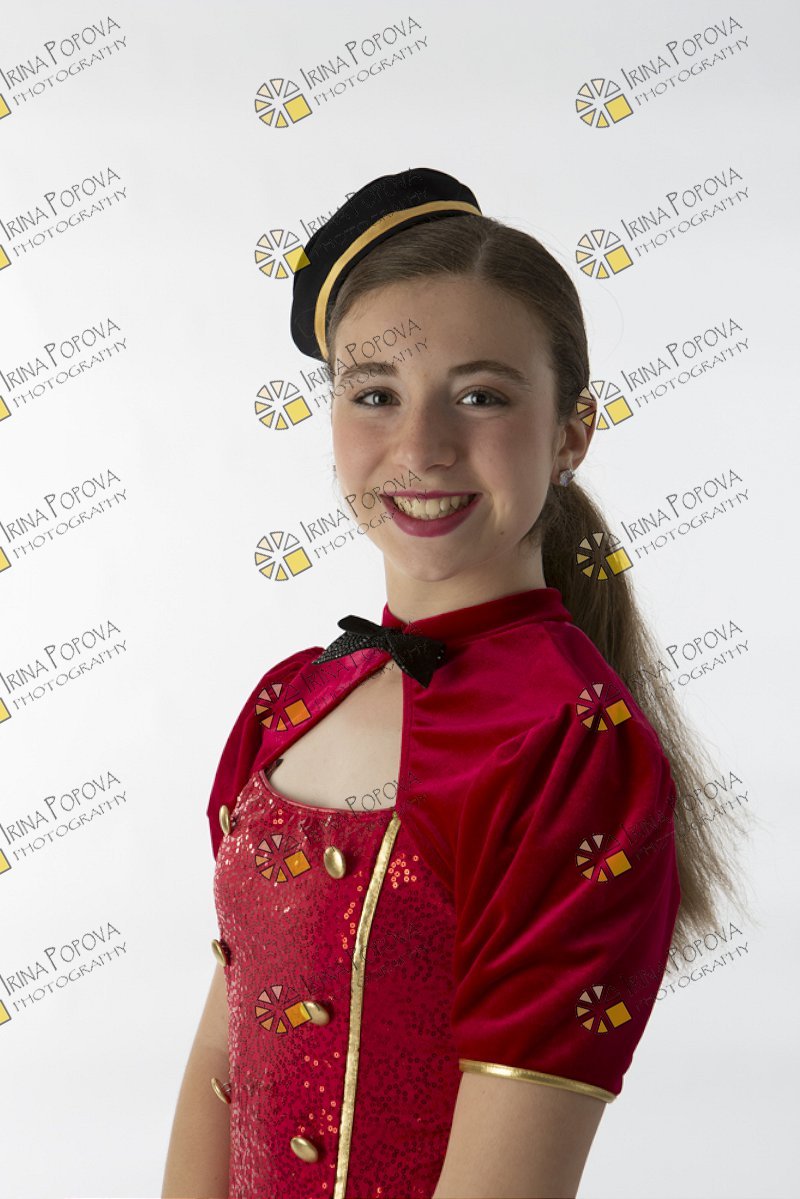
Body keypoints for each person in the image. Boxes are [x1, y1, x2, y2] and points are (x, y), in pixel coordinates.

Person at [162, 168, 749, 1199]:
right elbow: (223, 1057)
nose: (421, 447)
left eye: (480, 396)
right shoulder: (289, 702)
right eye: (375, 395)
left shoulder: (571, 746)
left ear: (570, 432)